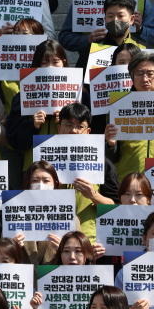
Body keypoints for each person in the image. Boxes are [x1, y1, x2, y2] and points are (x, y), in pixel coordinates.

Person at [7, 40, 91, 174]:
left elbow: (92, 133)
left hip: (71, 165)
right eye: (44, 63)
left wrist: (69, 122)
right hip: (35, 168)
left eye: (55, 62)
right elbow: (13, 140)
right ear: (37, 65)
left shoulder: (80, 96)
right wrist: (33, 126)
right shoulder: (23, 96)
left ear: (64, 62)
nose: (50, 67)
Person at [57, 103, 119, 244]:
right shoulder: (44, 164)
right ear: (59, 128)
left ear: (88, 131)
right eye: (68, 125)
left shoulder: (103, 163)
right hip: (55, 241)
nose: (74, 131)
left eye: (80, 126)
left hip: (90, 242)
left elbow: (115, 207)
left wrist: (93, 195)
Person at [30, 231, 101, 309]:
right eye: (66, 251)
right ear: (60, 255)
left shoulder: (100, 287)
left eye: (78, 251)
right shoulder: (48, 286)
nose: (72, 257)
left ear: (87, 255)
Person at [106, 51, 154, 182]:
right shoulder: (119, 105)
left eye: (150, 74)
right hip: (128, 182)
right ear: (132, 77)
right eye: (139, 73)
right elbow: (110, 158)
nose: (145, 79)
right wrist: (110, 144)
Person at [59, 0, 154, 54]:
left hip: (135, 62)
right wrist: (87, 40)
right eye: (110, 16)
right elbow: (64, 38)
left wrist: (140, 30)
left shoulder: (142, 1)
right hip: (93, 61)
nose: (116, 19)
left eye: (121, 15)